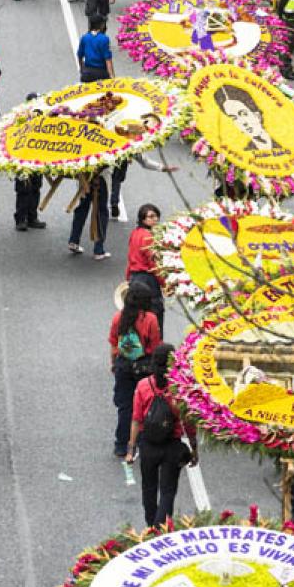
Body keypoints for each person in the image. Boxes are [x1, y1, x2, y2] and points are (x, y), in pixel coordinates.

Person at [126, 343, 198, 528]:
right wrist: (194, 447)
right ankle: (161, 528)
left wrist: (131, 449)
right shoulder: (179, 389)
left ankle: (151, 526)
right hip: (171, 446)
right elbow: (188, 422)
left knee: (149, 489)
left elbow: (135, 419)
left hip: (148, 445)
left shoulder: (143, 386)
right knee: (168, 491)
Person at [109, 283, 161, 457]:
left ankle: (121, 444)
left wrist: (113, 364)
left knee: (125, 407)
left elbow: (114, 345)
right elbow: (155, 346)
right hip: (144, 367)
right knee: (143, 406)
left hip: (123, 366)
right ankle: (140, 440)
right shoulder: (151, 319)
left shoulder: (119, 318)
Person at [126, 203, 166, 334]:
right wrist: (164, 283)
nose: (155, 219)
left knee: (136, 315)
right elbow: (153, 264)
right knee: (155, 313)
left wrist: (128, 278)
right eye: (151, 217)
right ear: (143, 219)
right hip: (147, 279)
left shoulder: (135, 234)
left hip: (134, 277)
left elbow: (130, 256)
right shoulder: (148, 237)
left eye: (156, 216)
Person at [213, 86, 281, 151]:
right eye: (234, 118)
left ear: (257, 115)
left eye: (243, 114)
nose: (243, 122)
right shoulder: (243, 152)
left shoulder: (281, 138)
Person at [14, 94, 46, 230]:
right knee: (23, 189)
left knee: (36, 187)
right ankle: (21, 219)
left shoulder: (43, 118)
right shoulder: (20, 118)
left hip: (37, 159)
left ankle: (33, 217)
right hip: (23, 159)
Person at [68, 171, 110, 260]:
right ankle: (98, 250)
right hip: (100, 177)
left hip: (84, 177)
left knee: (82, 208)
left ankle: (73, 241)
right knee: (101, 212)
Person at [77, 15, 114, 82]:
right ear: (102, 25)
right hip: (101, 73)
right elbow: (108, 60)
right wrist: (112, 77)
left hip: (87, 73)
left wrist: (82, 69)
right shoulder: (104, 39)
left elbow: (80, 56)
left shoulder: (84, 37)